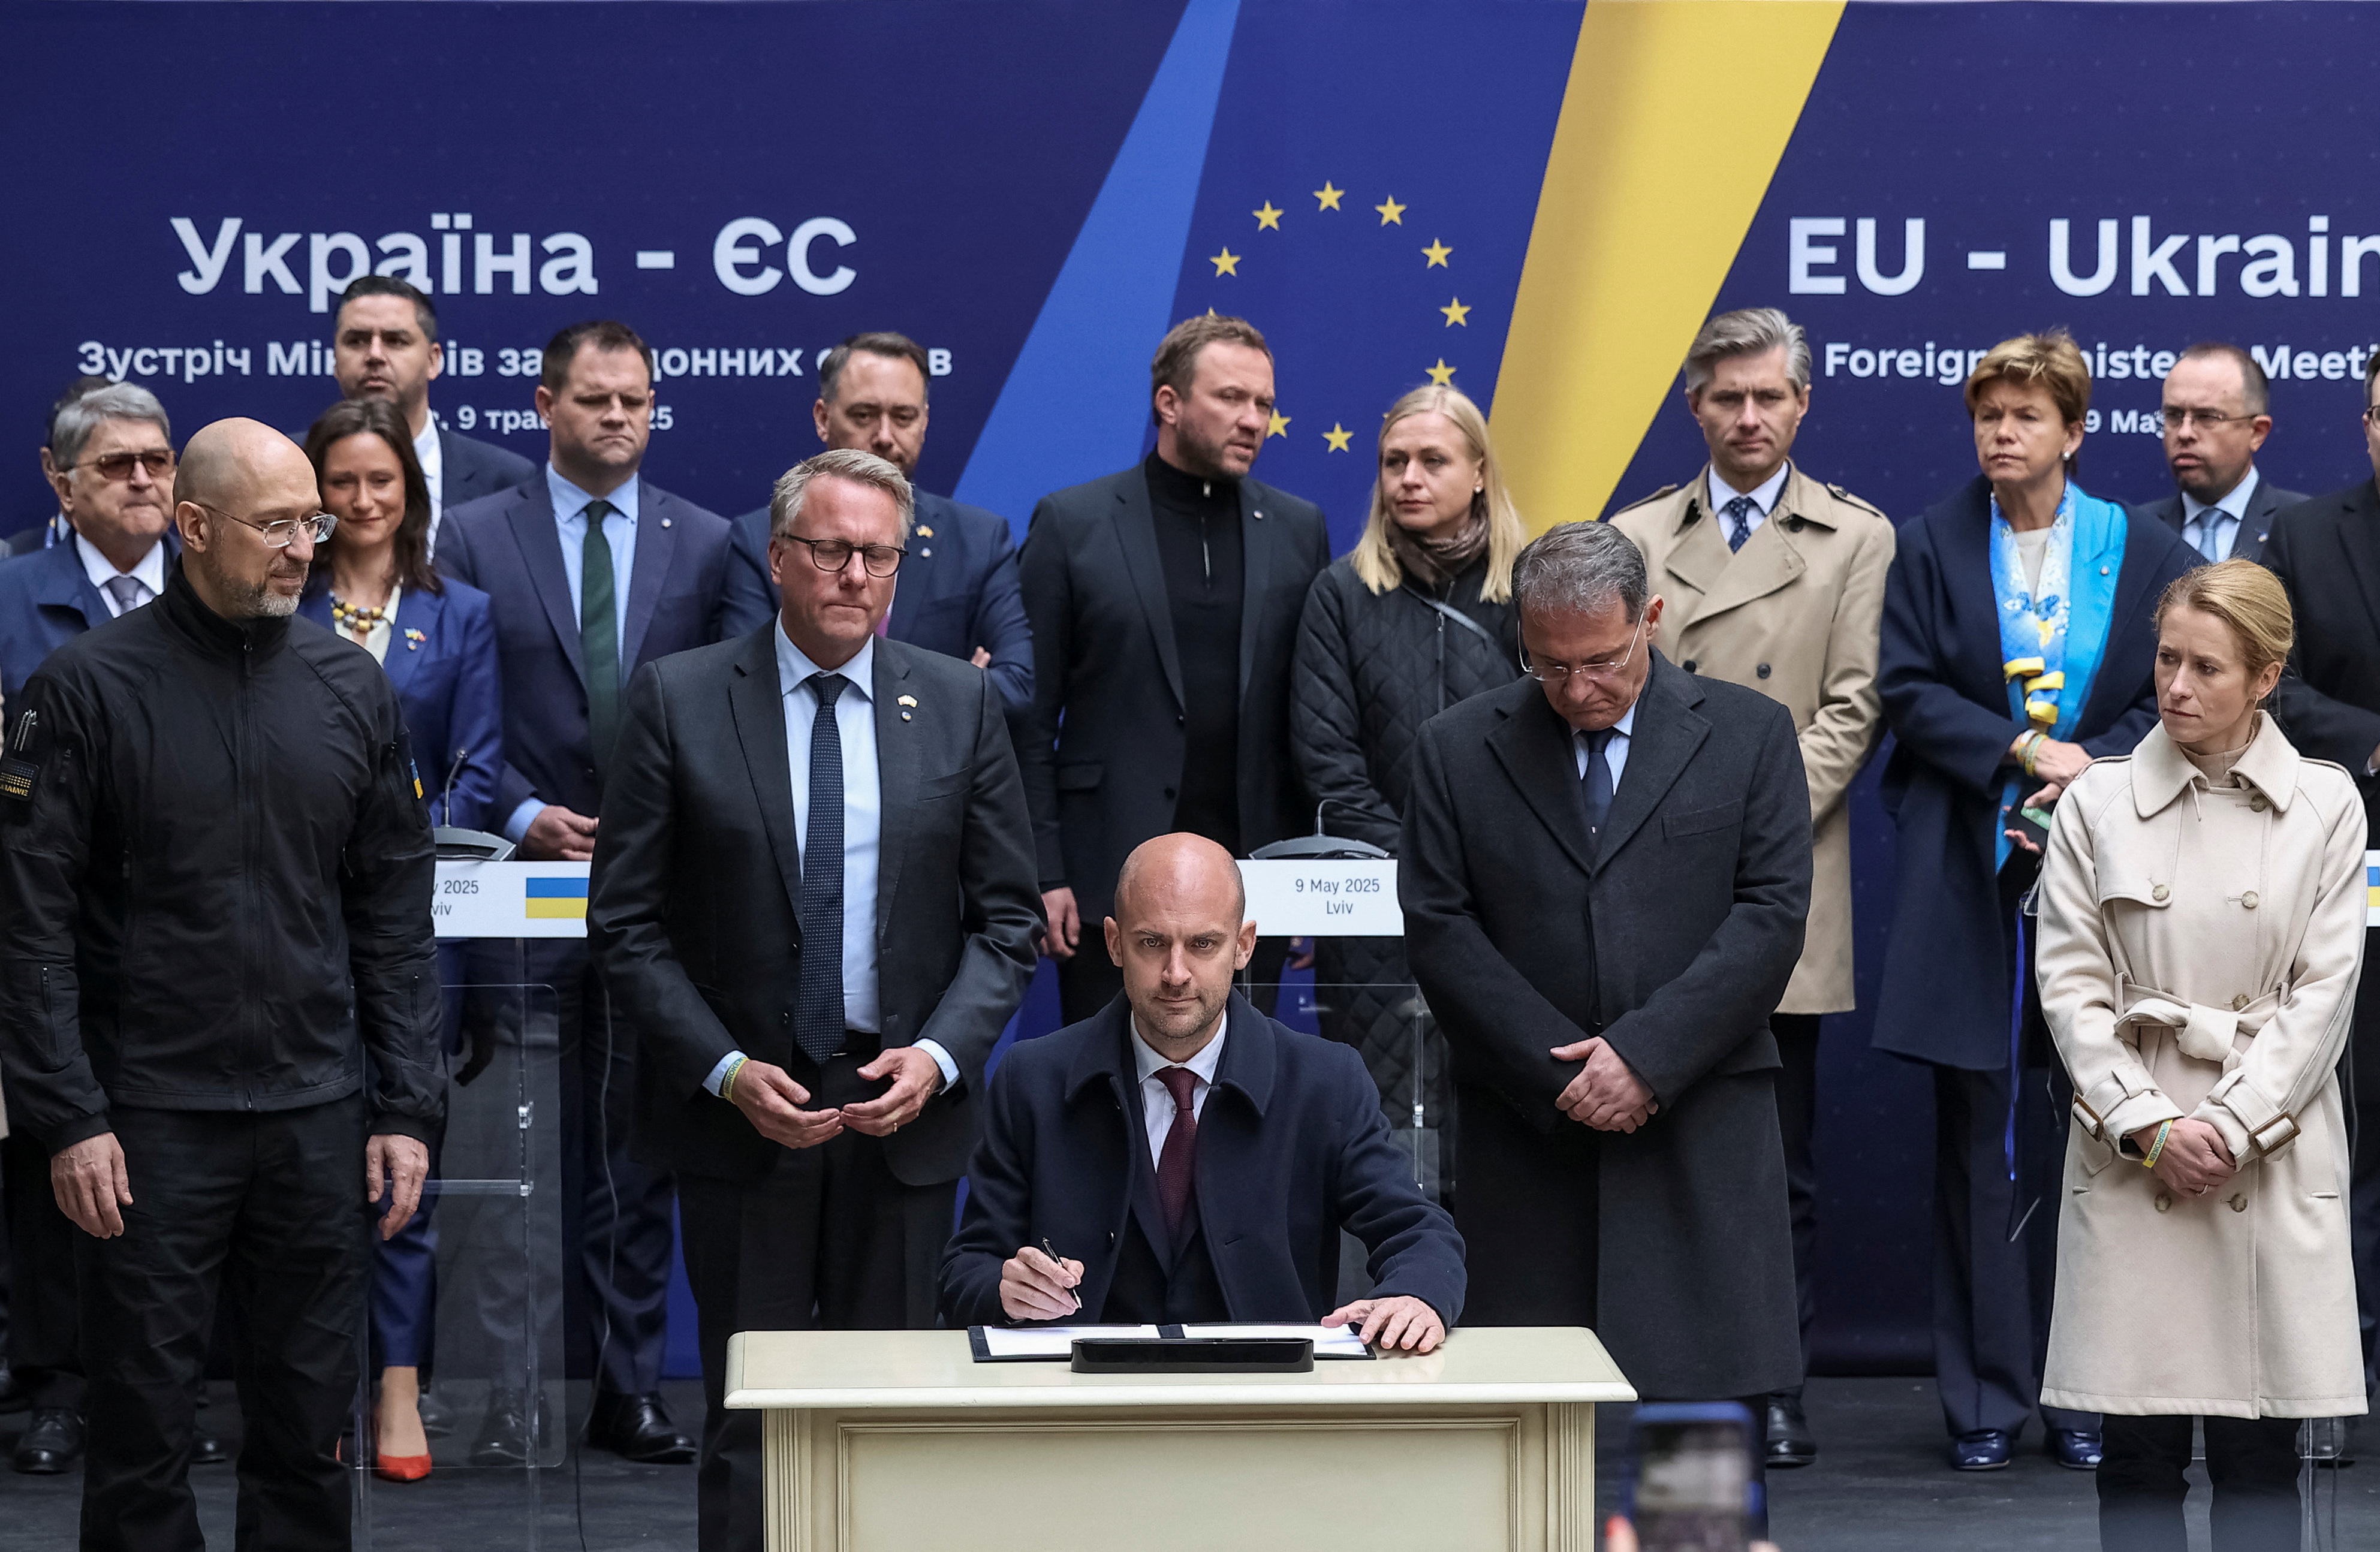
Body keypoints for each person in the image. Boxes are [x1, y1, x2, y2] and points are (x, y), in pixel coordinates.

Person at [0, 417, 441, 1551]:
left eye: (313, 521)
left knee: (305, 1434)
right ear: (193, 527)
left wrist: (404, 1103)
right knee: (141, 1439)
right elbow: (29, 921)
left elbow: (394, 916)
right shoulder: (83, 686)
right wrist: (69, 1115)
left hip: (315, 1117)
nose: (305, 546)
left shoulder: (353, 687)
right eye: (276, 524)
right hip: (144, 1126)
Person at [591, 448, 1041, 1552]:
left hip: (903, 1109)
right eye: (833, 550)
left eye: (878, 555)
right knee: (754, 1422)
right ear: (780, 557)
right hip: (747, 1107)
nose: (855, 574)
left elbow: (1008, 921)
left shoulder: (961, 700)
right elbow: (626, 922)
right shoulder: (681, 697)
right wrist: (725, 1069)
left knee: (894, 1415)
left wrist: (938, 1055)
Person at [436, 320, 770, 1464]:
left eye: (636, 399)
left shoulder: (711, 538)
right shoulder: (474, 535)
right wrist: (525, 813)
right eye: (594, 399)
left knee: (637, 1159)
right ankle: (515, 1395)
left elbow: (735, 715)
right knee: (515, 1156)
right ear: (545, 404)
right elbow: (449, 708)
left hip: (653, 900)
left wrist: (651, 828)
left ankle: (626, 1390)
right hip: (514, 892)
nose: (618, 417)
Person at [1400, 522, 1809, 1432]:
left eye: (1599, 661)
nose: (1577, 690)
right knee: (1533, 1460)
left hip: (1696, 1135)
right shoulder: (1456, 748)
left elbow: (1770, 918)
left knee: (1693, 1480)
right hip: (1529, 1145)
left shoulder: (1749, 736)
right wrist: (1569, 1078)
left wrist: (1645, 1060)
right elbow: (1439, 927)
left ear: (1650, 620)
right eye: (1548, 666)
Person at [1872, 330, 2195, 1472]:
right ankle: (1983, 1402)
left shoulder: (2142, 544)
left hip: (2108, 880)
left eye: (2025, 415)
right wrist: (2018, 747)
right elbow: (1904, 689)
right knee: (1977, 1135)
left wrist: (2090, 763)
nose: (2002, 433)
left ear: (2073, 430)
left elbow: (2177, 690)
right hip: (1967, 871)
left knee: (2104, 1132)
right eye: (1988, 415)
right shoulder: (1929, 544)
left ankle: (2090, 1393)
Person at [1609, 306, 1896, 1470]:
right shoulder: (1630, 534)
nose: (1745, 415)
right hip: (1640, 893)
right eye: (1724, 397)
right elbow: (1608, 701)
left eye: (1766, 396)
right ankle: (1655, 1372)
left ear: (1800, 404)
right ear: (1694, 405)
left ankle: (1772, 1381)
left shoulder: (1853, 539)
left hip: (1778, 897)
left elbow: (1852, 707)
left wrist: (1744, 826)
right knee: (1652, 1160)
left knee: (1773, 1168)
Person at [2034, 560, 2367, 1550]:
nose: (2175, 685)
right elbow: (2071, 987)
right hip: (2137, 1158)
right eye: (2167, 657)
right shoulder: (2094, 804)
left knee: (2260, 1456)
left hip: (2265, 1157)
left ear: (2266, 677)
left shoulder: (2326, 804)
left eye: (2206, 667)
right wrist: (2148, 1125)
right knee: (2134, 1454)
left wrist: (2225, 1126)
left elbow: (2324, 994)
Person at [941, 832, 1465, 1346]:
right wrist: (1006, 1291)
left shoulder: (1325, 1080)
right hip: (1085, 1404)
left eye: (1202, 944)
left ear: (1243, 945)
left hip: (1265, 1409)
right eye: (1152, 943)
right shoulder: (1031, 1078)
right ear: (1114, 942)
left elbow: (1420, 1233)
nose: (1176, 973)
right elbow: (967, 1268)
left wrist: (1415, 1295)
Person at [1017, 314, 1331, 1021]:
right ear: (1169, 403)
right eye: (1230, 399)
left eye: (1264, 405)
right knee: (1107, 1098)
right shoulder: (1073, 524)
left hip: (1256, 880)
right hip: (1108, 876)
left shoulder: (1297, 527)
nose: (1252, 420)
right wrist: (1044, 870)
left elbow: (1313, 716)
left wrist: (1312, 877)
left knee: (1244, 1098)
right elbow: (1029, 719)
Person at [299, 396, 502, 1482]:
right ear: (313, 494)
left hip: (414, 929)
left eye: (383, 481)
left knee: (403, 1158)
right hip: (290, 928)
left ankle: (396, 1386)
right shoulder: (278, 613)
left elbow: (477, 766)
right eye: (342, 482)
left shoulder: (458, 611)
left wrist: (384, 852)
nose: (364, 500)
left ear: (410, 494)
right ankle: (318, 1379)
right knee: (301, 1172)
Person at [0, 379, 195, 1478]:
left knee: (181, 1171)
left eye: (157, 460)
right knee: (58, 1167)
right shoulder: (11, 595)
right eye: (115, 464)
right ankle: (59, 1389)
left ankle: (176, 1390)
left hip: (188, 938)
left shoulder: (211, 593)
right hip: (53, 932)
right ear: (58, 480)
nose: (141, 479)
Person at [1289, 384, 1523, 1187]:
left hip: (1508, 920)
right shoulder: (1340, 596)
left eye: (1432, 460)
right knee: (1381, 1151)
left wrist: (1484, 873)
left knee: (1497, 1151)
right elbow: (1330, 766)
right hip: (1374, 929)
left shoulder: (1528, 595)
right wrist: (1425, 870)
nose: (1408, 478)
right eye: (1394, 462)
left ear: (1480, 473)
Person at [2261, 355, 2380, 1455]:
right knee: (2349, 1133)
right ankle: (2335, 1381)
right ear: (2368, 423)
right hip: (2352, 871)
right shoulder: (2303, 536)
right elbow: (2276, 688)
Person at [730, 332, 1031, 711]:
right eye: (864, 416)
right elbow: (745, 685)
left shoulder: (980, 540)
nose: (885, 437)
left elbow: (1016, 686)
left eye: (903, 417)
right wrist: (960, 683)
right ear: (823, 418)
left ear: (924, 422)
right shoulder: (759, 537)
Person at [331, 275, 537, 554]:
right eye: (356, 341)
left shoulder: (505, 480)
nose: (375, 355)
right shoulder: (296, 467)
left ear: (433, 360)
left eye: (395, 341)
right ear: (335, 360)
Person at [2133, 343, 2304, 566]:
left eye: (2207, 417)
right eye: (2173, 416)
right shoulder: (2137, 531)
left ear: (2257, 432)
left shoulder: (2305, 529)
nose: (2185, 433)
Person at [4, 375, 113, 556]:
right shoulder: (9, 560)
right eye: (111, 462)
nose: (138, 479)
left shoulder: (174, 564)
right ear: (50, 467)